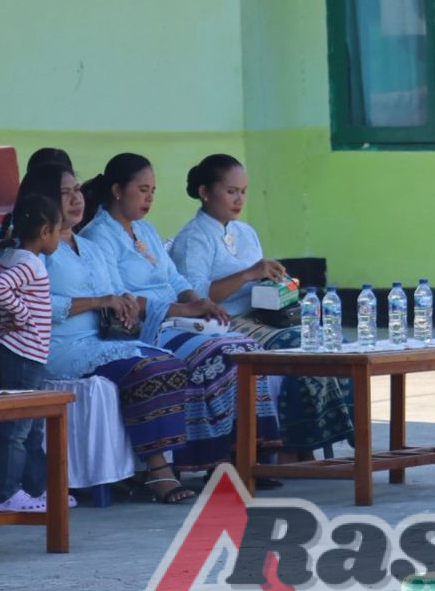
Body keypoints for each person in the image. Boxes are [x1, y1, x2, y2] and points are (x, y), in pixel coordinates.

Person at [80, 153, 279, 471]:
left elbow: (175, 278)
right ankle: (213, 458)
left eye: (153, 191)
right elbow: (122, 298)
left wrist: (200, 302)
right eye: (143, 189)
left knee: (247, 350)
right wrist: (185, 307)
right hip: (149, 328)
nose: (149, 198)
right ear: (118, 190)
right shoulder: (98, 236)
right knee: (218, 355)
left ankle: (251, 454)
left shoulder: (144, 231)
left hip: (180, 319)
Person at [27, 162, 199, 504]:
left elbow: (114, 292)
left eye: (77, 190)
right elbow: (39, 304)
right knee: (150, 370)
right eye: (65, 193)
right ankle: (157, 471)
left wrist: (124, 304)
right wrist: (100, 300)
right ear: (46, 199)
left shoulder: (88, 246)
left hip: (102, 341)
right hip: (62, 348)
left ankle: (143, 468)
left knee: (172, 363)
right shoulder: (34, 250)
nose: (76, 199)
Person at [169, 154, 354, 455]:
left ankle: (336, 434)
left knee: (333, 341)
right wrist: (249, 273)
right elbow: (195, 296)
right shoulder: (194, 238)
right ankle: (295, 446)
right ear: (205, 192)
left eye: (243, 191)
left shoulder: (245, 231)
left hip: (264, 315)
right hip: (229, 321)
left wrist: (277, 282)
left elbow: (258, 281)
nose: (239, 199)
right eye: (231, 191)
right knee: (301, 345)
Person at [0, 193, 59, 514]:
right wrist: (20, 315)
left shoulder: (12, 257)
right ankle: (7, 493)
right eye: (59, 231)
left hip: (24, 352)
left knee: (31, 425)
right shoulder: (29, 263)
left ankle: (36, 489)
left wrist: (7, 313)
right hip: (24, 353)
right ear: (46, 230)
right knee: (19, 427)